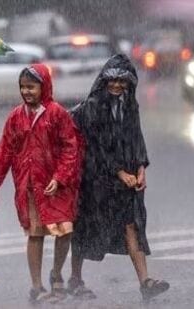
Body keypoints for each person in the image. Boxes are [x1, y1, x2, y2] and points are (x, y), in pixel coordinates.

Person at [69, 54, 169, 301]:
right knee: (85, 227)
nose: (116, 85)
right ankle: (74, 278)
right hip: (96, 179)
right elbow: (96, 145)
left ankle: (145, 281)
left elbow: (136, 137)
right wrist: (119, 172)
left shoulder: (129, 105)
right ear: (104, 80)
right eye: (112, 80)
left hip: (125, 179)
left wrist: (141, 167)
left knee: (131, 225)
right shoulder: (93, 107)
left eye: (122, 81)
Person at [0, 64, 82, 303]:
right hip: (30, 186)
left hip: (58, 186)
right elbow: (4, 150)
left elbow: (71, 149)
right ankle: (36, 286)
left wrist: (60, 177)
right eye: (23, 87)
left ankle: (56, 274)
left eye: (31, 87)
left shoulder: (57, 114)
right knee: (35, 235)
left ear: (44, 86)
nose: (27, 92)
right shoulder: (16, 117)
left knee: (64, 230)